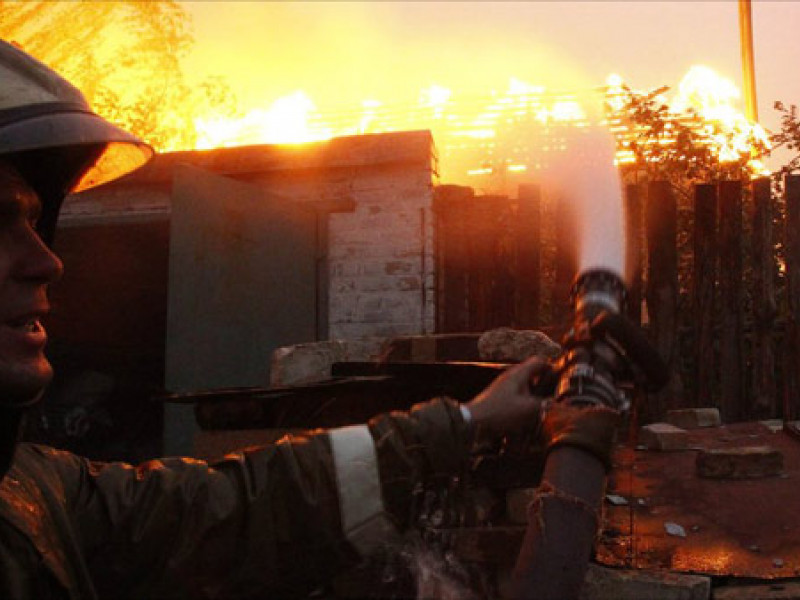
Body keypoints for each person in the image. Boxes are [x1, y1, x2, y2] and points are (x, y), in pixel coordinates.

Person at [0, 40, 618, 599]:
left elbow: (236, 510)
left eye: (33, 221)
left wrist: (469, 422)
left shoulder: (37, 495)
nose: (47, 261)